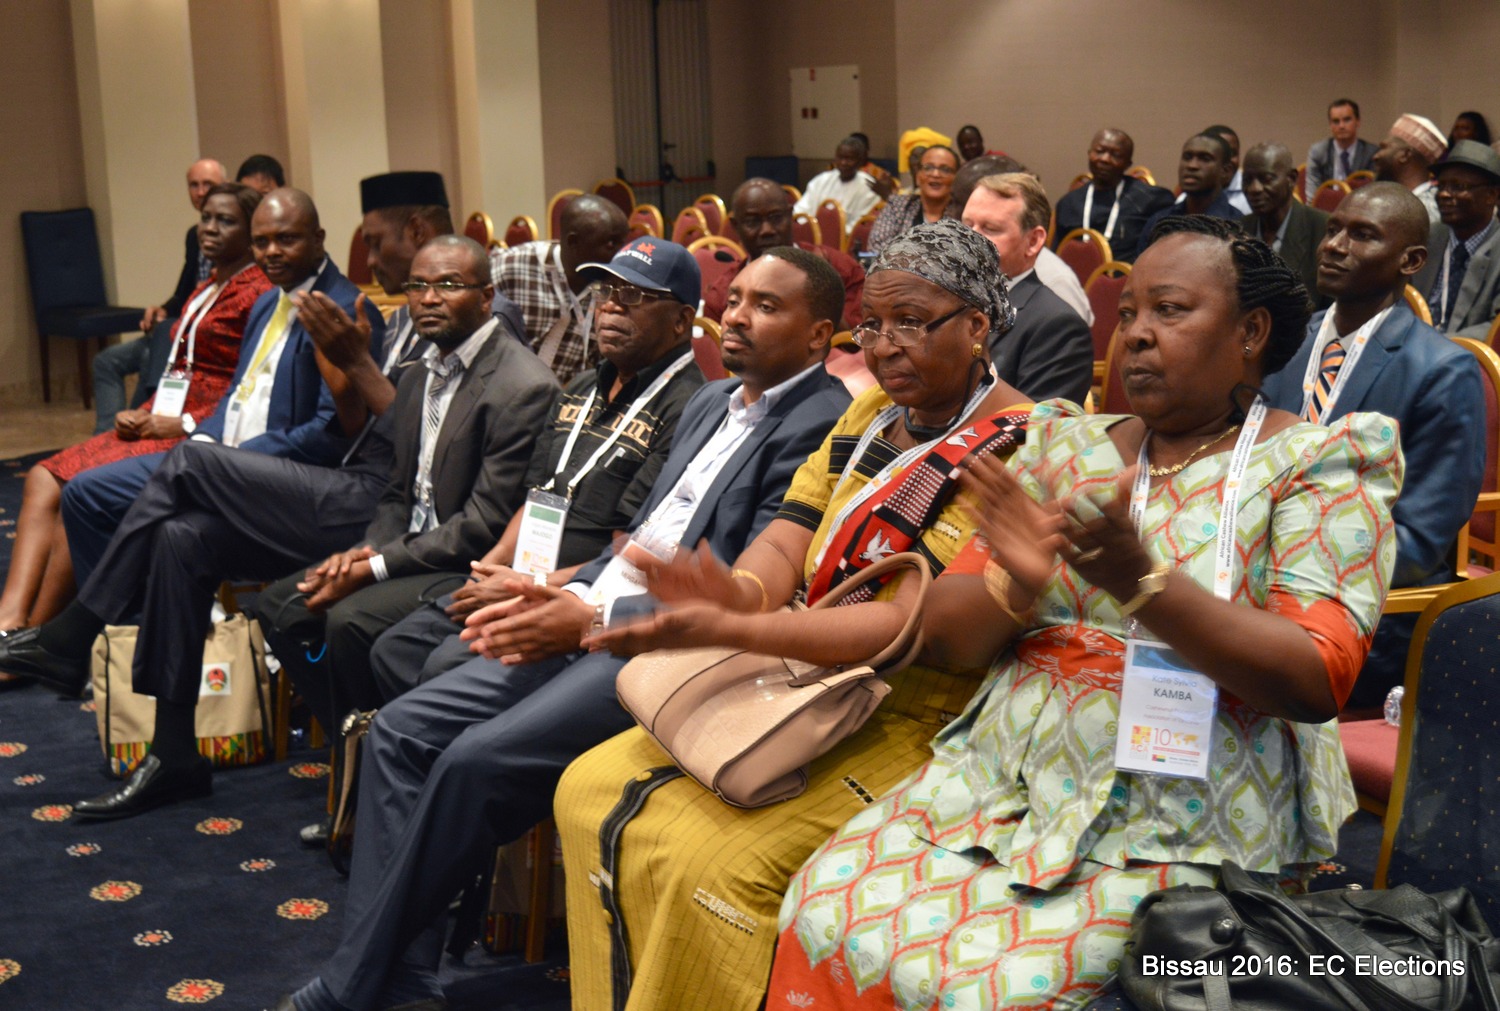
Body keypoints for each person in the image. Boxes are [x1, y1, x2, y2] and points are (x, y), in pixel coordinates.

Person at [768, 214, 1400, 1010]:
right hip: (999, 783)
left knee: (992, 992)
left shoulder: (1319, 463)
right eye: (1127, 313)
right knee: (822, 906)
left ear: (1251, 332)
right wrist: (1015, 587)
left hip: (1182, 811)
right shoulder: (1064, 444)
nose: (1135, 334)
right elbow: (952, 638)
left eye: (1169, 310)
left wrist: (1147, 585)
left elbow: (1315, 676)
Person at [273, 246, 852, 1011]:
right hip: (589, 607)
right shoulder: (715, 402)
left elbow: (744, 595)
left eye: (767, 305)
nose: (738, 315)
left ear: (819, 335)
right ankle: (403, 977)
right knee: (401, 732)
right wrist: (558, 586)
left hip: (662, 644)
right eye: (737, 297)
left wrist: (592, 613)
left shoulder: (823, 424)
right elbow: (642, 537)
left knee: (471, 760)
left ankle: (350, 986)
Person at [555, 219, 1036, 1011]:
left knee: (713, 865)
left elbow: (923, 625)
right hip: (803, 671)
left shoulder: (1028, 441)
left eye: (911, 322)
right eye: (871, 325)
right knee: (585, 787)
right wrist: (738, 593)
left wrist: (741, 627)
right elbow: (789, 536)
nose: (884, 347)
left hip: (923, 713)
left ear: (978, 324)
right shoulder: (869, 413)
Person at [278, 238, 704, 738]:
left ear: (681, 320)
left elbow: (634, 549)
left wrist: (533, 584)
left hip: (578, 593)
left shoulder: (690, 409)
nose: (610, 306)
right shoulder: (582, 386)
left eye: (632, 296)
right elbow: (538, 498)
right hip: (520, 571)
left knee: (430, 662)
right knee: (395, 649)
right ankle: (397, 764)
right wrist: (491, 569)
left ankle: (435, 769)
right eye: (605, 292)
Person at [248, 233, 560, 747]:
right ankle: (355, 745)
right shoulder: (417, 377)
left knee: (347, 621)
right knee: (280, 607)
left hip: (465, 564)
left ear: (486, 297)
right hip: (404, 551)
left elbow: (482, 525)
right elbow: (398, 493)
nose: (428, 298)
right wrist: (365, 551)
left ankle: (383, 753)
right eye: (418, 286)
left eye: (448, 285)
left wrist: (373, 567)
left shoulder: (523, 386)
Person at [57, 188, 387, 591]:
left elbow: (330, 432)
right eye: (261, 242)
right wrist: (203, 440)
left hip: (278, 474)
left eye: (286, 239)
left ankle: (99, 615)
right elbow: (235, 395)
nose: (271, 252)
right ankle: (127, 619)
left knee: (168, 519)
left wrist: (233, 457)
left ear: (318, 239)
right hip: (214, 457)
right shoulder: (266, 303)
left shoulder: (344, 310)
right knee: (83, 492)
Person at [0, 183, 269, 657]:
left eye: (225, 221)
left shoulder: (258, 293)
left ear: (251, 233)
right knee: (43, 476)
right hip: (161, 418)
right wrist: (143, 410)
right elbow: (181, 370)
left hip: (199, 434)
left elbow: (247, 389)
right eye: (206, 218)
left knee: (76, 489)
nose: (209, 228)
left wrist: (181, 424)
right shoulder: (209, 285)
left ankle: (36, 643)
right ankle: (9, 622)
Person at [1265, 182, 1485, 709]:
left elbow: (1420, 540)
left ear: (1411, 261)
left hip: (1365, 610)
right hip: (1253, 591)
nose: (1334, 245)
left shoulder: (1442, 371)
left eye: (1362, 235)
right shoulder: (1286, 344)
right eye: (1334, 229)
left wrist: (1290, 567)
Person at [92, 158, 227, 432]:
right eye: (194, 185)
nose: (201, 192)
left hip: (199, 335)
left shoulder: (233, 239)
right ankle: (106, 435)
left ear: (225, 187)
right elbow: (184, 294)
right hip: (177, 328)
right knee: (106, 361)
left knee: (150, 355)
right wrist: (162, 309)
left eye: (208, 184)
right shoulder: (193, 236)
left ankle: (137, 426)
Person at [962, 172, 1093, 402]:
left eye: (990, 229)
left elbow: (1035, 421)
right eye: (966, 225)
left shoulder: (1058, 326)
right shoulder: (947, 300)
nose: (969, 240)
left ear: (1032, 241)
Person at [489, 192, 628, 385]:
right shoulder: (511, 267)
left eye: (623, 243)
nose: (620, 254)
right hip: (509, 388)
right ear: (573, 242)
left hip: (574, 394)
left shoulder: (614, 286)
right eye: (611, 243)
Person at [703, 178, 864, 328]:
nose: (767, 230)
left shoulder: (840, 269)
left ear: (790, 215)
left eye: (776, 218)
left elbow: (859, 338)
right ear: (735, 226)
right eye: (753, 222)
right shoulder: (722, 293)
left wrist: (823, 297)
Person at [1412, 140, 1500, 336]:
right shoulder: (1426, 238)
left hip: (1467, 351)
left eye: (1458, 186)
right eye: (1441, 185)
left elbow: (1496, 329)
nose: (1444, 194)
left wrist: (1439, 346)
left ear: (1491, 195)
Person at [1052, 128, 1175, 264]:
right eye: (1100, 151)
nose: (1105, 159)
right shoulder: (1068, 203)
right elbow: (1056, 255)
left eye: (1116, 155)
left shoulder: (1151, 200)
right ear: (1089, 153)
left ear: (1128, 163)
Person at [1240, 141, 1330, 303]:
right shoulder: (1238, 230)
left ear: (1292, 178)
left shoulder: (1323, 229)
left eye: (1266, 179)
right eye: (1247, 180)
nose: (1254, 189)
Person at [1137, 133, 1243, 258]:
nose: (1192, 165)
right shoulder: (1159, 221)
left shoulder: (1238, 226)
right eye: (1187, 157)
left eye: (1205, 159)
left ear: (1226, 171)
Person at [867, 145, 960, 255]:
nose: (935, 174)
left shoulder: (962, 213)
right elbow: (877, 247)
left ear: (956, 178)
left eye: (945, 169)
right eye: (928, 168)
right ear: (917, 176)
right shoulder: (897, 206)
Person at [793, 134, 881, 230]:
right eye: (840, 158)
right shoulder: (821, 180)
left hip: (846, 237)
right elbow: (801, 211)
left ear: (860, 161)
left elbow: (860, 225)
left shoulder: (869, 187)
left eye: (849, 159)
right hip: (812, 234)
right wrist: (809, 230)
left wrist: (832, 233)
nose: (843, 163)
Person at [1373, 114, 1448, 223]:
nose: (1375, 156)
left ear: (1405, 155)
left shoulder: (1426, 208)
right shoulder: (1396, 200)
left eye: (1384, 147)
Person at [1305, 98, 1377, 197]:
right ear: (1330, 125)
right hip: (1326, 205)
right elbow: (1313, 197)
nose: (1341, 126)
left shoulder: (1371, 153)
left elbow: (1374, 194)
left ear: (1358, 121)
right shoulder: (1318, 152)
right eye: (1336, 121)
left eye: (1347, 120)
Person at [1201, 124, 1251, 214]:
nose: (1227, 160)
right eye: (1219, 153)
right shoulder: (1187, 198)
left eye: (1232, 153)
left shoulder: (1252, 193)